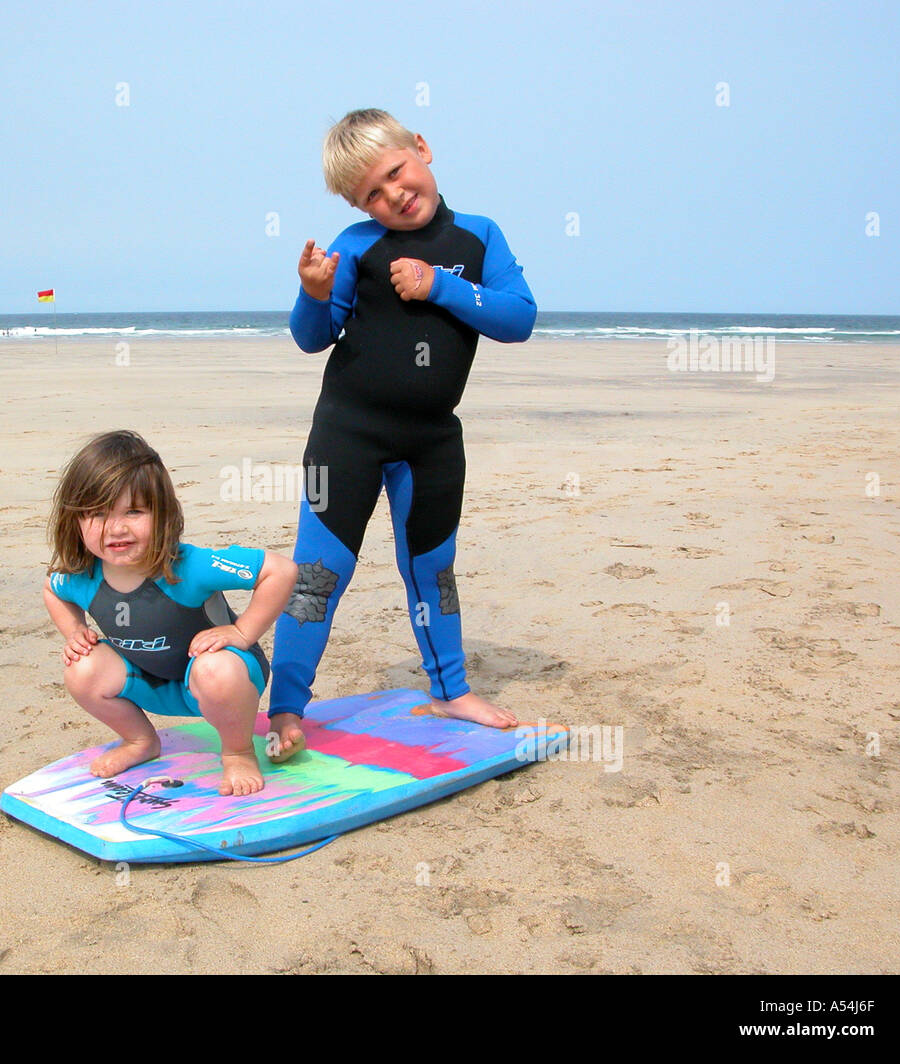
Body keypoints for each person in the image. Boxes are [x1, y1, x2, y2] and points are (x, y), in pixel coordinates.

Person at [268, 108, 537, 752]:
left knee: (432, 569)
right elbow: (313, 339)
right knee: (317, 573)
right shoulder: (356, 244)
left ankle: (450, 690)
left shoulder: (478, 237)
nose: (393, 196)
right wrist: (312, 292)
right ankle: (285, 708)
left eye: (396, 172)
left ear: (422, 148)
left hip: (432, 442)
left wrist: (439, 285)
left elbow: (518, 317)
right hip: (346, 437)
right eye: (372, 195)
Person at [43, 430, 298, 796]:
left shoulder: (188, 566)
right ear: (76, 521)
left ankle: (238, 751)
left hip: (222, 681)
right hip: (149, 682)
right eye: (97, 513)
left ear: (161, 513)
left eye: (133, 511)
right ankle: (139, 740)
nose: (116, 528)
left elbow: (280, 570)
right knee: (81, 669)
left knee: (216, 669)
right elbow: (52, 589)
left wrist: (243, 633)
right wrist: (74, 630)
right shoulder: (83, 578)